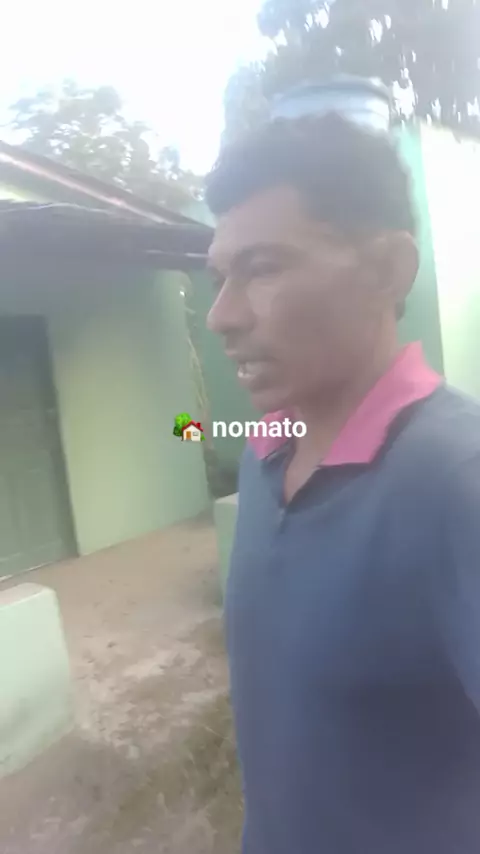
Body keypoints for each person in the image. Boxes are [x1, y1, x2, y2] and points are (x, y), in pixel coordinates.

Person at [204, 112, 480, 854]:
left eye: (263, 268)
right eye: (220, 278)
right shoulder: (264, 452)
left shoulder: (456, 482)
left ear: (388, 271)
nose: (222, 316)